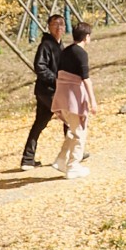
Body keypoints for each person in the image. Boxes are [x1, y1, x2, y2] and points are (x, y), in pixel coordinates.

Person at [21, 12, 70, 167]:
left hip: (49, 91)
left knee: (39, 123)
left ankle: (27, 160)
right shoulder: (46, 45)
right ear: (49, 27)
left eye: (61, 24)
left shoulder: (60, 45)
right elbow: (40, 67)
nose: (58, 27)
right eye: (55, 24)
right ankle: (73, 153)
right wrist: (56, 81)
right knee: (69, 117)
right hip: (48, 91)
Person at [52, 20, 97, 177]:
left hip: (61, 95)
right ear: (86, 37)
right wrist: (93, 101)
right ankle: (73, 165)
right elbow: (86, 79)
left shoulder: (66, 51)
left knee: (73, 129)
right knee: (79, 132)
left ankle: (61, 159)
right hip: (73, 97)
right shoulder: (81, 53)